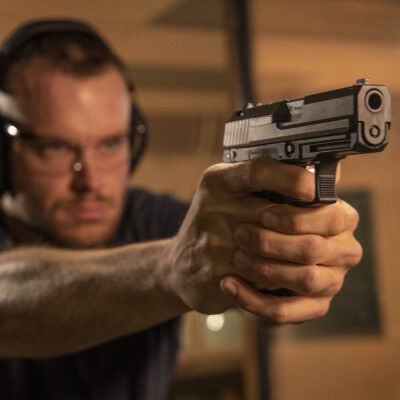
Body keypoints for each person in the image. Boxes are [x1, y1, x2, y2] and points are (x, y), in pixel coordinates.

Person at [0, 19, 362, 400]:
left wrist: (288, 263)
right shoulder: (171, 243)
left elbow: (235, 266)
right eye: (56, 148)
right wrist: (169, 269)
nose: (91, 180)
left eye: (110, 144)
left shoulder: (155, 219)